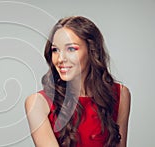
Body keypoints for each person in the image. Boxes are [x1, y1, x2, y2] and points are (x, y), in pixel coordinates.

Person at [25, 16, 131, 147]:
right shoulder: (38, 103)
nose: (60, 59)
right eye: (55, 50)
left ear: (92, 50)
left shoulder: (120, 94)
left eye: (71, 49)